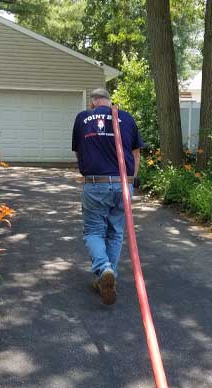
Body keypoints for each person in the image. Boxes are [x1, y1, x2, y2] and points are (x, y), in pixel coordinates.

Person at [72, 88, 144, 305]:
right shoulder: (127, 118)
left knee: (94, 231)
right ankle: (108, 277)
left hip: (96, 184)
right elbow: (136, 153)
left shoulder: (83, 118)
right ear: (109, 101)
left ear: (93, 103)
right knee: (115, 233)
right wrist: (132, 180)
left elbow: (78, 150)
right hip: (124, 185)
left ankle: (104, 269)